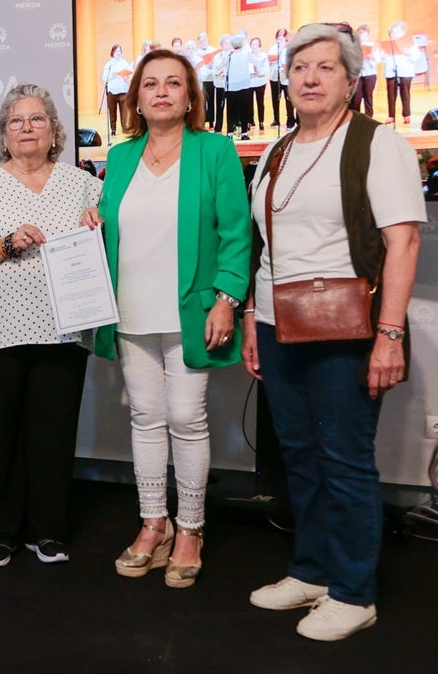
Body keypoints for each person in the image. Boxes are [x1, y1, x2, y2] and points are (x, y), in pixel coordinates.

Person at [243, 23, 425, 641]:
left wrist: (390, 334)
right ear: (287, 81)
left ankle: (354, 591)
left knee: (345, 461)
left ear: (350, 79)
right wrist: (250, 318)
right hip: (276, 324)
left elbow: (403, 241)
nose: (311, 78)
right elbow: (262, 248)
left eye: (326, 67)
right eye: (300, 69)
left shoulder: (379, 144)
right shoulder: (276, 149)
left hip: (348, 328)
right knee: (297, 456)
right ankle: (313, 571)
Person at [82, 50, 250, 588]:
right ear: (135, 97)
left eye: (173, 83)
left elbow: (236, 232)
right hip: (129, 307)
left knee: (186, 417)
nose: (160, 92)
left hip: (193, 310)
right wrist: (94, 220)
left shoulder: (215, 150)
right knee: (146, 418)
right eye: (150, 83)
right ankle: (152, 521)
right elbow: (113, 221)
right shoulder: (123, 155)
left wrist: (227, 298)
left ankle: (191, 528)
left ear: (189, 97)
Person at [0, 84, 102, 567]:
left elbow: (110, 245)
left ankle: (49, 531)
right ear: (3, 133)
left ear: (55, 130)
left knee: (52, 437)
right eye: (16, 121)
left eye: (37, 120)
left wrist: (103, 224)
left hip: (63, 331)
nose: (27, 128)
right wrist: (7, 245)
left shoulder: (84, 184)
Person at [383, 21, 421, 127]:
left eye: (398, 31)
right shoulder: (390, 42)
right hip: (391, 71)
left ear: (403, 31)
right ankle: (391, 115)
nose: (395, 33)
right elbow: (382, 57)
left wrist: (409, 53)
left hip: (405, 70)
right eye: (394, 31)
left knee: (405, 93)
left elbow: (417, 55)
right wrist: (383, 56)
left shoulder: (410, 41)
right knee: (391, 94)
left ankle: (406, 115)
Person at [101, 44, 133, 140]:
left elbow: (129, 74)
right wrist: (112, 75)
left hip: (123, 89)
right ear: (112, 53)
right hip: (112, 90)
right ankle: (113, 129)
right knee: (112, 111)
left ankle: (125, 127)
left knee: (124, 110)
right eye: (116, 51)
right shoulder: (109, 64)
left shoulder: (124, 62)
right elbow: (104, 77)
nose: (118, 53)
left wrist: (127, 76)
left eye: (119, 51)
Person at [348, 24, 380, 118]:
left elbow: (378, 59)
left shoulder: (372, 45)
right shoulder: (353, 46)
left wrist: (372, 58)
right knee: (356, 98)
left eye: (365, 35)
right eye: (360, 35)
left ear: (368, 35)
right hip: (357, 75)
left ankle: (369, 118)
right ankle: (355, 118)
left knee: (368, 97)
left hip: (370, 73)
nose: (363, 38)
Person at [271, 28, 295, 131]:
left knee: (289, 100)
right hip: (280, 78)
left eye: (284, 37)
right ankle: (278, 119)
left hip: (289, 78)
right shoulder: (277, 48)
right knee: (279, 99)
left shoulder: (291, 49)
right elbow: (274, 59)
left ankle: (291, 120)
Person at [250, 36, 270, 132]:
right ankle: (250, 121)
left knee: (260, 102)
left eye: (256, 44)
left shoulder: (263, 56)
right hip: (249, 82)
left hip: (260, 81)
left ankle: (261, 122)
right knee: (249, 103)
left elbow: (267, 69)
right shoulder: (248, 55)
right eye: (252, 44)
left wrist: (259, 71)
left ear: (259, 46)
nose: (254, 46)